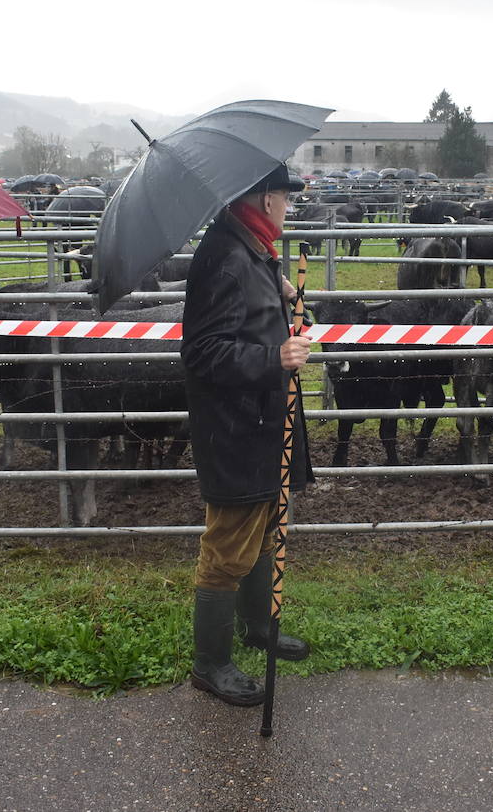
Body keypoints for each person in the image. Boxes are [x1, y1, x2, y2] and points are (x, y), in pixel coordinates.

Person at [181, 163, 314, 707]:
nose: (289, 208)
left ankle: (259, 626)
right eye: (285, 199)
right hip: (237, 428)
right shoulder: (225, 258)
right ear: (263, 201)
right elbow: (202, 353)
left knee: (264, 530)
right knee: (228, 547)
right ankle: (209, 663)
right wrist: (274, 356)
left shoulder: (250, 250)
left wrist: (274, 282)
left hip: (262, 423)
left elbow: (246, 319)